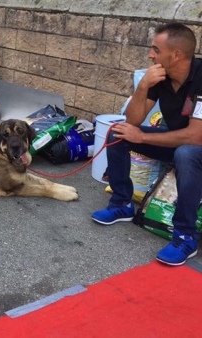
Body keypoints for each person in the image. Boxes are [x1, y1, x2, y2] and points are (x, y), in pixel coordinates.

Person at [91, 23, 202, 266]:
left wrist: (143, 138)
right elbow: (133, 120)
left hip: (195, 146)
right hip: (179, 141)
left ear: (176, 55)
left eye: (155, 50)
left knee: (186, 153)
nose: (150, 55)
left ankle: (185, 236)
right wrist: (143, 86)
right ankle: (121, 203)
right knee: (118, 132)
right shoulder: (161, 76)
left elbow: (195, 136)